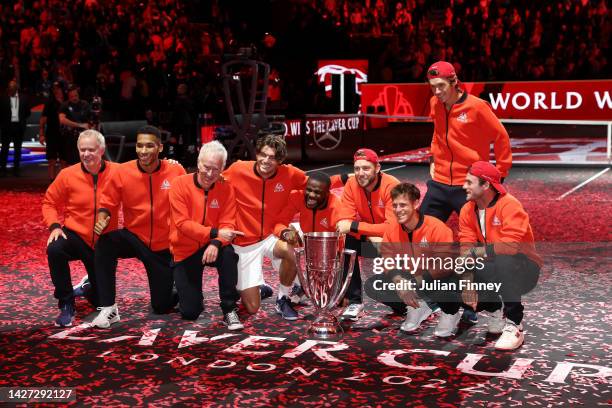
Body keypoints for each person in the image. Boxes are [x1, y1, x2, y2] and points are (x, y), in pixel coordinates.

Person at [421, 60, 512, 324]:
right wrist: (431, 157)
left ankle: (474, 305)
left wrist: (499, 174)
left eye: (440, 86)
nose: (437, 92)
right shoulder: (435, 104)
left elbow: (502, 137)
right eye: (432, 87)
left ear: (454, 82)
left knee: (473, 249)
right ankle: (441, 299)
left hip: (467, 186)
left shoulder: (477, 107)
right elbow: (438, 134)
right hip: (438, 183)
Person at [223, 135, 342, 320]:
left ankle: (283, 298)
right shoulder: (237, 169)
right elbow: (211, 180)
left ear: (280, 161)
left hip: (271, 235)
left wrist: (350, 178)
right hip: (244, 242)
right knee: (252, 307)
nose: (266, 161)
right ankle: (262, 288)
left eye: (272, 158)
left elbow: (315, 183)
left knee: (290, 250)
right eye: (263, 154)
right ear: (257, 153)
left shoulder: (289, 173)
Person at [91, 125, 186, 328]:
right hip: (134, 236)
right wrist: (102, 217)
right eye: (140, 146)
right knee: (105, 243)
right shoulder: (122, 171)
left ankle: (176, 288)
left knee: (161, 306)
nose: (143, 151)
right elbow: (107, 203)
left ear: (160, 148)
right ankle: (109, 308)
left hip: (163, 245)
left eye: (149, 146)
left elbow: (191, 195)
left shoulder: (176, 170)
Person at [440, 161, 541, 349]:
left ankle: (514, 324)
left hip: (524, 269)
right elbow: (466, 249)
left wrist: (478, 252)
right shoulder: (467, 209)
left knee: (504, 260)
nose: (463, 186)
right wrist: (468, 282)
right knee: (452, 273)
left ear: (486, 185)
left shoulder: (509, 205)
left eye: (469, 182)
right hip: (493, 265)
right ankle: (494, 308)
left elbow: (510, 247)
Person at [41, 130, 118, 327]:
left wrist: (172, 164)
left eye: (91, 149)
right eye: (82, 150)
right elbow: (49, 202)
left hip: (104, 243)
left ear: (102, 150)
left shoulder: (118, 172)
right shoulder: (67, 175)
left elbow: (144, 172)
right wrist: (55, 226)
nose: (86, 154)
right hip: (76, 235)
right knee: (55, 249)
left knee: (102, 302)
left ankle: (86, 287)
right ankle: (66, 302)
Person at [169, 141, 244, 330]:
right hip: (185, 249)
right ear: (198, 162)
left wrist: (216, 243)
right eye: (206, 167)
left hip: (213, 246)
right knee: (190, 312)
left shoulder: (226, 189)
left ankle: (229, 308)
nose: (210, 174)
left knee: (229, 256)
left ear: (223, 169)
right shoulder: (179, 184)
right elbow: (182, 224)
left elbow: (228, 224)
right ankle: (185, 290)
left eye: (216, 169)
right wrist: (214, 233)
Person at [370, 182, 455, 333]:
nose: (397, 210)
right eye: (395, 205)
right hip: (411, 279)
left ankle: (449, 312)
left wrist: (413, 283)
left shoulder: (437, 227)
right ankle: (417, 307)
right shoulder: (392, 228)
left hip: (434, 279)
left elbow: (444, 267)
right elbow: (387, 260)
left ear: (415, 203)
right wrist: (399, 281)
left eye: (403, 205)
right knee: (375, 284)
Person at [335, 148, 399, 320]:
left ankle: (421, 300)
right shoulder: (351, 184)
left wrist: (357, 227)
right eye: (357, 169)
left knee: (395, 300)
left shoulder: (392, 186)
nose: (360, 173)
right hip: (373, 239)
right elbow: (343, 222)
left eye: (366, 168)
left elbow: (392, 228)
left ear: (377, 168)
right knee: (346, 241)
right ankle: (355, 301)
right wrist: (368, 233)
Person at [274, 171, 343, 303]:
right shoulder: (298, 197)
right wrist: (285, 233)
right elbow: (279, 222)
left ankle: (307, 285)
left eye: (317, 192)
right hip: (305, 238)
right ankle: (297, 285)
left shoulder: (335, 206)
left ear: (327, 194)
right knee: (284, 245)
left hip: (326, 249)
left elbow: (341, 240)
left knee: (327, 299)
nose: (311, 195)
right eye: (309, 190)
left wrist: (335, 271)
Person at [0, 80, 31, 177]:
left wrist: (20, 120)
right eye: (10, 87)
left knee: (18, 149)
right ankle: (3, 169)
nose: (12, 89)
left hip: (19, 127)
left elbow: (27, 113)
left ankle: (16, 169)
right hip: (6, 127)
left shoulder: (24, 98)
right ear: (8, 88)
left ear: (17, 88)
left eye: (13, 87)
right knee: (4, 149)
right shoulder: (2, 98)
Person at [59, 85, 92, 165]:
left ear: (78, 95)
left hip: (84, 137)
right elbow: (62, 119)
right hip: (69, 137)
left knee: (84, 160)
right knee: (70, 161)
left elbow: (91, 119)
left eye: (76, 95)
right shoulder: (65, 105)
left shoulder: (85, 104)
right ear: (68, 97)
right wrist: (79, 125)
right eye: (72, 96)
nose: (74, 98)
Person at [39, 82, 66, 180]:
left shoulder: (67, 102)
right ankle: (52, 181)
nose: (56, 90)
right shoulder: (49, 103)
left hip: (65, 135)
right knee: (52, 160)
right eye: (54, 88)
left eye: (58, 88)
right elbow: (43, 119)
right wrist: (41, 134)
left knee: (64, 161)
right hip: (51, 134)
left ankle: (63, 182)